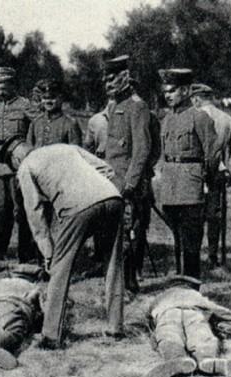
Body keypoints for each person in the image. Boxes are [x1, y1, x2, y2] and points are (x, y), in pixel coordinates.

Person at [0, 138, 124, 348]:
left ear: (16, 158)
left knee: (60, 269)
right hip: (113, 197)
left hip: (78, 207)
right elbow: (108, 170)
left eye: (12, 166)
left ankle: (51, 335)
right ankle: (115, 327)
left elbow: (35, 213)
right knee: (113, 264)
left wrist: (48, 252)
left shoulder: (25, 167)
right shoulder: (66, 148)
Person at [157, 69, 221, 279]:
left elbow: (212, 153)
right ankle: (180, 281)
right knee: (177, 238)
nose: (167, 95)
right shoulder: (166, 119)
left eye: (172, 91)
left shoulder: (199, 117)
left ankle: (192, 285)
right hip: (170, 187)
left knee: (191, 242)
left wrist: (208, 180)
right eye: (165, 91)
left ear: (185, 91)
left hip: (190, 187)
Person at [103, 55, 156, 293]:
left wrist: (131, 183)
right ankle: (119, 280)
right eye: (106, 79)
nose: (108, 83)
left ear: (124, 77)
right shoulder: (115, 106)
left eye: (112, 78)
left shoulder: (137, 106)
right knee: (115, 233)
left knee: (132, 232)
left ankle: (131, 280)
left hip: (129, 184)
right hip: (112, 181)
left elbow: (142, 150)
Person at [0, 66, 36, 273]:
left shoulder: (25, 105)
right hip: (0, 168)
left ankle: (26, 257)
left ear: (12, 84)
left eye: (4, 86)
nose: (0, 91)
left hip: (19, 167)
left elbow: (37, 129)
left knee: (22, 212)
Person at [147, 275, 231, 377]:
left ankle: (176, 358)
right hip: (194, 313)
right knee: (202, 336)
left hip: (167, 314)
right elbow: (215, 308)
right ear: (190, 286)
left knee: (168, 336)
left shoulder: (161, 296)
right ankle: (207, 358)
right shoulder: (194, 294)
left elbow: (149, 314)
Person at [190, 84, 231, 270]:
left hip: (193, 172)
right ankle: (213, 254)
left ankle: (193, 254)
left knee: (193, 213)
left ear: (197, 99)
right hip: (218, 172)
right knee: (214, 215)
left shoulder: (192, 117)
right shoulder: (227, 119)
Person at [26, 79, 82, 148]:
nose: (48, 101)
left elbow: (74, 153)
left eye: (52, 98)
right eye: (45, 98)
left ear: (61, 98)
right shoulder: (35, 123)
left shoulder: (70, 123)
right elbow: (29, 150)